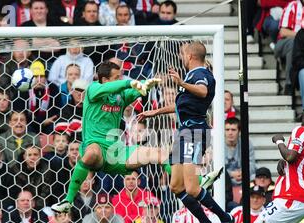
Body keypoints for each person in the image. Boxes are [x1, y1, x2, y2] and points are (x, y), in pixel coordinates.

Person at [51, 61, 221, 214]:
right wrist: (128, 82)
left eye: (122, 76)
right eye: (117, 77)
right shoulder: (93, 89)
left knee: (159, 154)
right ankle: (68, 200)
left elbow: (136, 92)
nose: (121, 79)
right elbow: (115, 88)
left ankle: (201, 180)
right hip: (96, 151)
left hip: (117, 153)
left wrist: (145, 86)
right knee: (92, 152)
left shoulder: (120, 96)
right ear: (104, 80)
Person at [137, 42, 234, 223]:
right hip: (183, 133)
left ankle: (225, 219)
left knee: (192, 187)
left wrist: (181, 81)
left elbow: (201, 91)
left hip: (195, 132)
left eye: (182, 53)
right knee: (176, 186)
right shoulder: (190, 77)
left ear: (190, 55)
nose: (181, 57)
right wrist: (156, 111)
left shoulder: (202, 74)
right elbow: (181, 103)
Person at [274, 0, 304, 94]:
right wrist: (301, 36)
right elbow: (283, 32)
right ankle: (289, 83)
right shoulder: (293, 5)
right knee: (293, 43)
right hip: (285, 42)